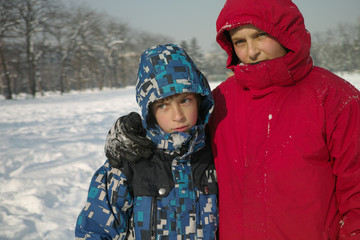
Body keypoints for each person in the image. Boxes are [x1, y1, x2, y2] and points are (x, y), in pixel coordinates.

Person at [104, 0, 360, 239]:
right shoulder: (221, 101)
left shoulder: (335, 98)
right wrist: (132, 134)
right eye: (239, 41)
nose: (251, 51)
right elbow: (178, 142)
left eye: (260, 35)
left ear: (286, 31)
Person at [75, 44, 218, 239]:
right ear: (150, 111)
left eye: (185, 100)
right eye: (163, 105)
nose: (178, 116)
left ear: (200, 100)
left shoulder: (219, 153)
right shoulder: (130, 160)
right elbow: (96, 230)